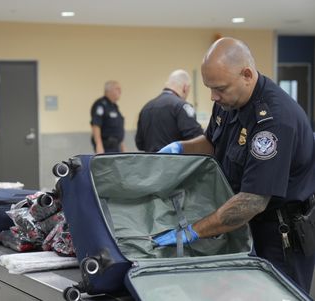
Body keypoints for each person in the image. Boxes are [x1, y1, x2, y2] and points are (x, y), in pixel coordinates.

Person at [156, 37, 315, 293]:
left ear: (247, 75)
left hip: (280, 235)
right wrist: (180, 147)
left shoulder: (274, 121)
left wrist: (192, 232)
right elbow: (211, 141)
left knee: (279, 295)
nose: (213, 96)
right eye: (209, 88)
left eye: (219, 88)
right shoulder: (229, 101)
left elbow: (251, 202)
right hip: (247, 228)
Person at [135, 69, 203, 152]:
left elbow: (139, 143)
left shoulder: (146, 108)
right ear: (185, 88)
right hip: (175, 163)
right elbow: (197, 139)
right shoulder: (182, 106)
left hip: (151, 163)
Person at [90, 80, 126, 153]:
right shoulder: (101, 105)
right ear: (108, 91)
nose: (120, 91)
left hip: (116, 146)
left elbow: (118, 127)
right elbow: (96, 125)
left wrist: (122, 145)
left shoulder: (114, 106)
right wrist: (99, 144)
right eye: (117, 89)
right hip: (106, 146)